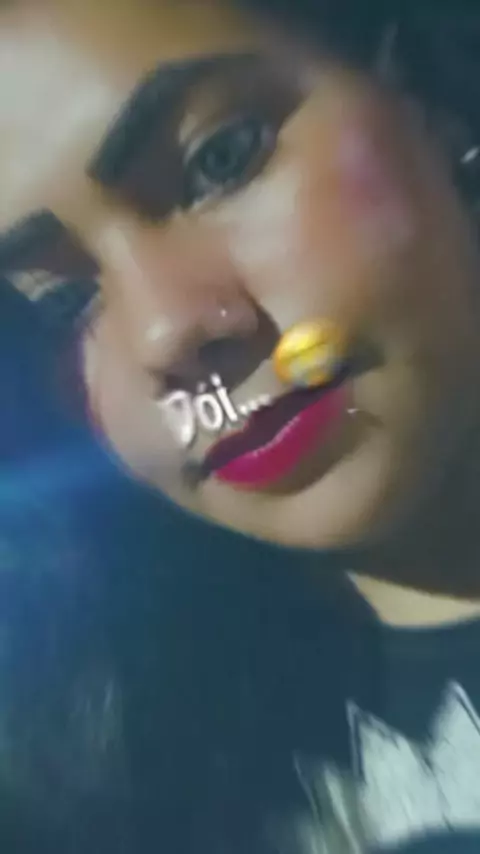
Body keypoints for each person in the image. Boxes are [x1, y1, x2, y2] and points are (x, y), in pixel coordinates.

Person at [2, 0, 480, 851]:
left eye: (219, 162)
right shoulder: (100, 785)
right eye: (62, 301)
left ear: (414, 84)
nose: (167, 334)